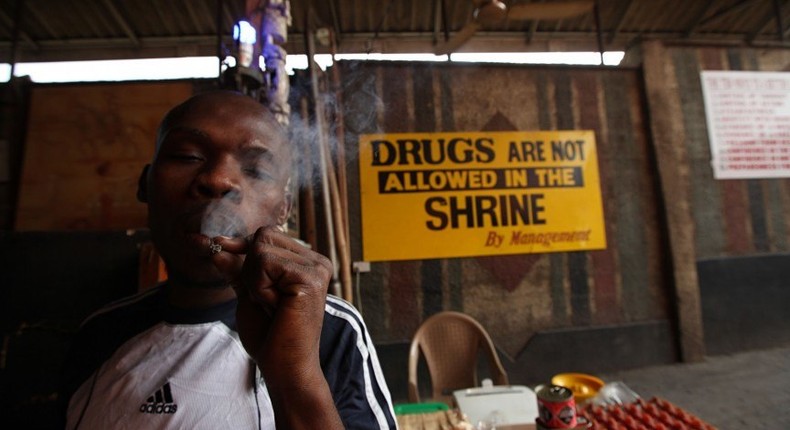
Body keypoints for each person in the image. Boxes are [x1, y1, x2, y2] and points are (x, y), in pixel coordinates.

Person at [59, 91, 397, 429]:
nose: (218, 180)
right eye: (187, 156)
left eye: (256, 171)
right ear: (145, 184)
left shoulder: (329, 331)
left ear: (284, 209)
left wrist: (294, 378)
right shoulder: (100, 334)